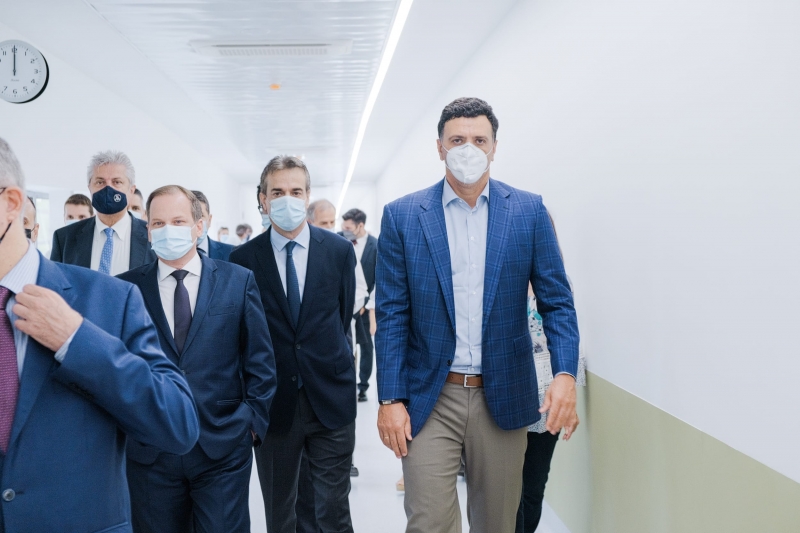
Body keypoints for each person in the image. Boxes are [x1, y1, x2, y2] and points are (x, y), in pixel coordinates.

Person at [376, 97, 580, 533]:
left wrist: (564, 374)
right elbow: (391, 314)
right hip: (431, 396)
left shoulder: (528, 211)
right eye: (457, 140)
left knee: (497, 523)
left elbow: (557, 302)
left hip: (502, 393)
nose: (468, 149)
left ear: (494, 147)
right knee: (428, 522)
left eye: (479, 140)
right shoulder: (403, 216)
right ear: (439, 147)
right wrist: (389, 399)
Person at [0, 138, 199, 532]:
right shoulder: (70, 239)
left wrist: (76, 340)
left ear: (10, 203)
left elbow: (177, 424)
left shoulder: (111, 300)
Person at [118, 185, 277, 533]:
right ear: (148, 231)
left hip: (223, 444)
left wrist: (250, 424)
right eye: (158, 223)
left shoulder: (237, 281)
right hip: (151, 449)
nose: (167, 230)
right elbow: (117, 368)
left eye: (178, 221)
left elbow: (260, 360)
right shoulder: (126, 289)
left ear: (199, 225)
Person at [230, 155, 357, 533]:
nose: (288, 199)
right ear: (263, 199)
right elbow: (242, 337)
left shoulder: (338, 251)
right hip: (273, 406)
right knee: (282, 514)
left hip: (330, 397)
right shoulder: (243, 259)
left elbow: (342, 317)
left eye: (296, 191)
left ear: (307, 195)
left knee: (333, 510)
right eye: (278, 192)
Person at [516, 282, 585, 533]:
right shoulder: (501, 273)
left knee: (533, 485)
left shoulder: (558, 283)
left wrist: (569, 403)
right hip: (507, 394)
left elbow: (567, 337)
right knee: (505, 488)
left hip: (547, 395)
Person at [50, 150, 155, 275]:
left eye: (117, 182)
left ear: (131, 190)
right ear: (90, 188)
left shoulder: (152, 236)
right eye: (100, 182)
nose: (108, 189)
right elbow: (55, 283)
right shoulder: (64, 238)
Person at [341, 208, 378, 402]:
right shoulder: (340, 241)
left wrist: (367, 303)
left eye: (348, 228)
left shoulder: (376, 245)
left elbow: (379, 279)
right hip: (347, 305)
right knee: (347, 345)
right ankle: (348, 383)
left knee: (366, 347)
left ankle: (363, 386)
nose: (344, 231)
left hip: (367, 306)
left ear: (360, 225)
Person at [191, 190, 236, 261]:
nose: (195, 221)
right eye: (190, 216)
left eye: (200, 215)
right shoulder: (173, 255)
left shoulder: (232, 253)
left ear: (209, 220)